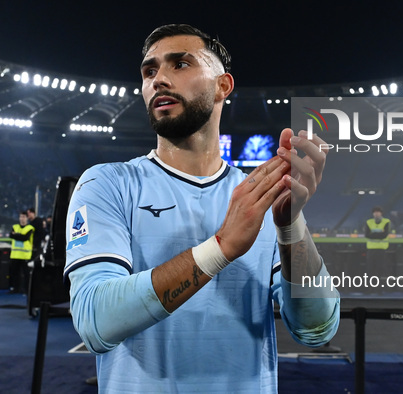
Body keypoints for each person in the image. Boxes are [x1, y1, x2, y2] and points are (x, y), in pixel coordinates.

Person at [64, 24, 340, 392]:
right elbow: (95, 322)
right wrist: (221, 247)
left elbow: (316, 329)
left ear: (222, 86)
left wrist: (291, 227)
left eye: (180, 64)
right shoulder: (107, 184)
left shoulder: (258, 195)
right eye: (149, 71)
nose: (159, 79)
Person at [8, 211, 34, 293]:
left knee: (26, 274)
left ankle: (27, 290)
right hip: (15, 255)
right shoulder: (15, 226)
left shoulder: (30, 228)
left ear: (27, 218)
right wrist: (19, 235)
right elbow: (11, 235)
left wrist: (16, 235)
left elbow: (25, 238)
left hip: (25, 255)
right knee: (14, 273)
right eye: (20, 217)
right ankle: (15, 289)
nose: (22, 218)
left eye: (23, 217)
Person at [364, 206, 391, 278]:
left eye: (378, 212)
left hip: (381, 249)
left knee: (380, 269)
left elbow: (384, 235)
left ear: (381, 213)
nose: (376, 214)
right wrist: (380, 233)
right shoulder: (369, 222)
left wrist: (373, 233)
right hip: (371, 249)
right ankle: (371, 287)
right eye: (375, 212)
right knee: (370, 269)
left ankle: (379, 287)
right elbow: (367, 235)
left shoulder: (386, 221)